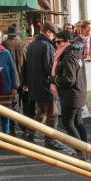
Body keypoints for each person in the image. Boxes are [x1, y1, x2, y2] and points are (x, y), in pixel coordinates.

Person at [49, 31, 88, 160]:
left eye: (59, 42)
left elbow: (69, 80)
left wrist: (53, 79)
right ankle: (84, 150)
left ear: (67, 42)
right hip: (78, 92)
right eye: (55, 42)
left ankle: (80, 151)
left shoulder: (68, 55)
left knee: (68, 123)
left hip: (71, 95)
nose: (56, 44)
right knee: (78, 121)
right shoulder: (75, 52)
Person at [25, 21, 63, 150]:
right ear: (48, 32)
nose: (54, 38)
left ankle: (29, 133)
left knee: (42, 111)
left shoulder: (32, 44)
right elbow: (49, 68)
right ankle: (50, 141)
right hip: (45, 85)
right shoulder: (47, 45)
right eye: (53, 35)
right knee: (52, 113)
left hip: (35, 84)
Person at [2, 23, 27, 136]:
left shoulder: (3, 45)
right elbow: (27, 63)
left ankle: (12, 129)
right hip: (21, 79)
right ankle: (24, 128)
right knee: (20, 105)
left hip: (9, 80)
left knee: (11, 105)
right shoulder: (23, 44)